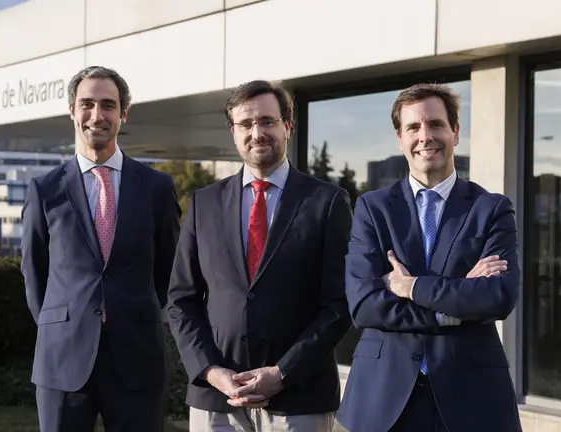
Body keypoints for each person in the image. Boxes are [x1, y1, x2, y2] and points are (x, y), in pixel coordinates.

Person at [166, 80, 353, 432]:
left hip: (299, 397)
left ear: (288, 126)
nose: (257, 132)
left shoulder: (327, 202)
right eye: (246, 124)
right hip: (217, 398)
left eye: (267, 121)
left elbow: (340, 304)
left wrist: (283, 372)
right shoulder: (204, 203)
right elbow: (181, 300)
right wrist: (211, 370)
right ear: (233, 132)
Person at [337, 83, 523, 432]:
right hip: (382, 399)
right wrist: (454, 304)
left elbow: (497, 297)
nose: (426, 136)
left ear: (455, 132)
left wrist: (411, 286)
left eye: (436, 125)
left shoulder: (491, 209)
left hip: (471, 397)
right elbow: (364, 305)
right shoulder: (372, 209)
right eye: (413, 127)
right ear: (399, 137)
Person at [21, 65, 181, 432]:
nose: (97, 115)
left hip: (137, 359)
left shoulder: (157, 188)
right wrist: (66, 325)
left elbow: (169, 275)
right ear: (72, 111)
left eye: (108, 105)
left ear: (123, 114)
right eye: (86, 104)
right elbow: (35, 277)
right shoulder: (44, 190)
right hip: (63, 360)